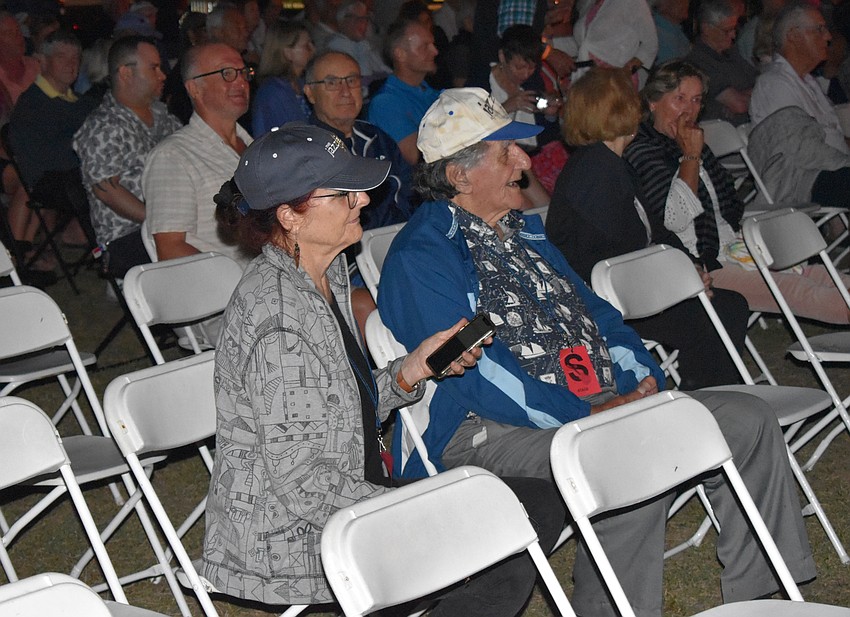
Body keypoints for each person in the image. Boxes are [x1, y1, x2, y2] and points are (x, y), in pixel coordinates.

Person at [378, 86, 815, 617]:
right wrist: (590, 414)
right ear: (459, 175)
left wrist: (641, 382)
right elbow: (479, 378)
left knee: (747, 418)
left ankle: (762, 596)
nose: (525, 160)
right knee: (625, 453)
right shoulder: (424, 254)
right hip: (486, 427)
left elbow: (600, 316)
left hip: (586, 398)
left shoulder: (524, 234)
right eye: (506, 152)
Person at [201, 122, 566, 614]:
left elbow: (334, 406)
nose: (364, 201)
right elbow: (305, 485)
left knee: (529, 504)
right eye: (345, 193)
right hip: (302, 541)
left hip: (351, 495)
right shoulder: (279, 321)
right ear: (290, 215)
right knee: (501, 526)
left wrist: (408, 372)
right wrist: (408, 509)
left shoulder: (323, 269)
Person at [548, 67, 749, 390]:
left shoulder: (616, 164)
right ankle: (706, 402)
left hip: (637, 282)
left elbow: (659, 232)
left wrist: (692, 268)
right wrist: (680, 280)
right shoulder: (593, 171)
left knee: (726, 306)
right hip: (607, 297)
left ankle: (709, 399)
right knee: (719, 313)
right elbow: (621, 248)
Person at [624, 60, 850, 324]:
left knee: (818, 274)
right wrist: (691, 156)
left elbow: (730, 204)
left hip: (731, 246)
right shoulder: (644, 151)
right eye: (680, 99)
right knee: (801, 291)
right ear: (653, 102)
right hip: (699, 264)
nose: (689, 110)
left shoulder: (693, 143)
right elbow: (674, 219)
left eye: (696, 100)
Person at [74, 36, 182, 279]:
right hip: (130, 235)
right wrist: (164, 220)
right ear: (125, 73)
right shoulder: (104, 127)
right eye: (154, 68)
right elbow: (108, 191)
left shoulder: (164, 118)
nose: (163, 75)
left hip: (173, 220)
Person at [142, 43, 253, 266]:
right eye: (227, 73)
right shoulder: (173, 157)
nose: (240, 82)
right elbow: (171, 249)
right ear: (195, 88)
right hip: (227, 289)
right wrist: (239, 282)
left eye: (243, 73)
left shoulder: (255, 147)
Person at [487, 24, 565, 199]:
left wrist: (550, 113)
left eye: (531, 68)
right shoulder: (482, 84)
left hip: (537, 156)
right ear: (502, 57)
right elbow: (475, 127)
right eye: (519, 67)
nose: (525, 73)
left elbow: (548, 131)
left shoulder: (532, 81)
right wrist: (507, 106)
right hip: (502, 162)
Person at [367, 17, 439, 165]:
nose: (435, 51)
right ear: (400, 54)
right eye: (425, 46)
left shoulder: (432, 93)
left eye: (433, 44)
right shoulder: (386, 103)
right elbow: (417, 157)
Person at [686, 0, 758, 125]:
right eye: (727, 30)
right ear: (707, 29)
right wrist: (754, 93)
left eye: (734, 29)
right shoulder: (698, 62)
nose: (733, 35)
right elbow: (739, 105)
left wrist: (744, 95)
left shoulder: (731, 52)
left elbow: (761, 82)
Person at [572, 0, 659, 87]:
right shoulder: (588, 3)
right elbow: (584, 44)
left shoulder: (633, 2)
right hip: (584, 76)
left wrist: (626, 71)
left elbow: (650, 45)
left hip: (613, 82)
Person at [251, 20, 315, 136]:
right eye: (306, 46)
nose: (313, 50)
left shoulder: (301, 84)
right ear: (287, 52)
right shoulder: (272, 92)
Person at [326, 0, 391, 91]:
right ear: (343, 21)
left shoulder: (363, 43)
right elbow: (364, 79)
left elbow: (384, 69)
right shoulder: (336, 47)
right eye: (358, 19)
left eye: (365, 18)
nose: (363, 23)